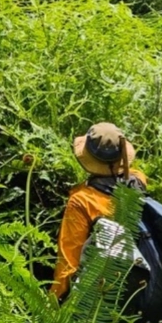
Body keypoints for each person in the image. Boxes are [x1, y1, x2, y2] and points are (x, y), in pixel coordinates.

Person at [51, 122, 146, 300]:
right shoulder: (139, 180)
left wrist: (54, 301)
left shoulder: (82, 201)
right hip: (140, 278)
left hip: (99, 291)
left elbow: (69, 261)